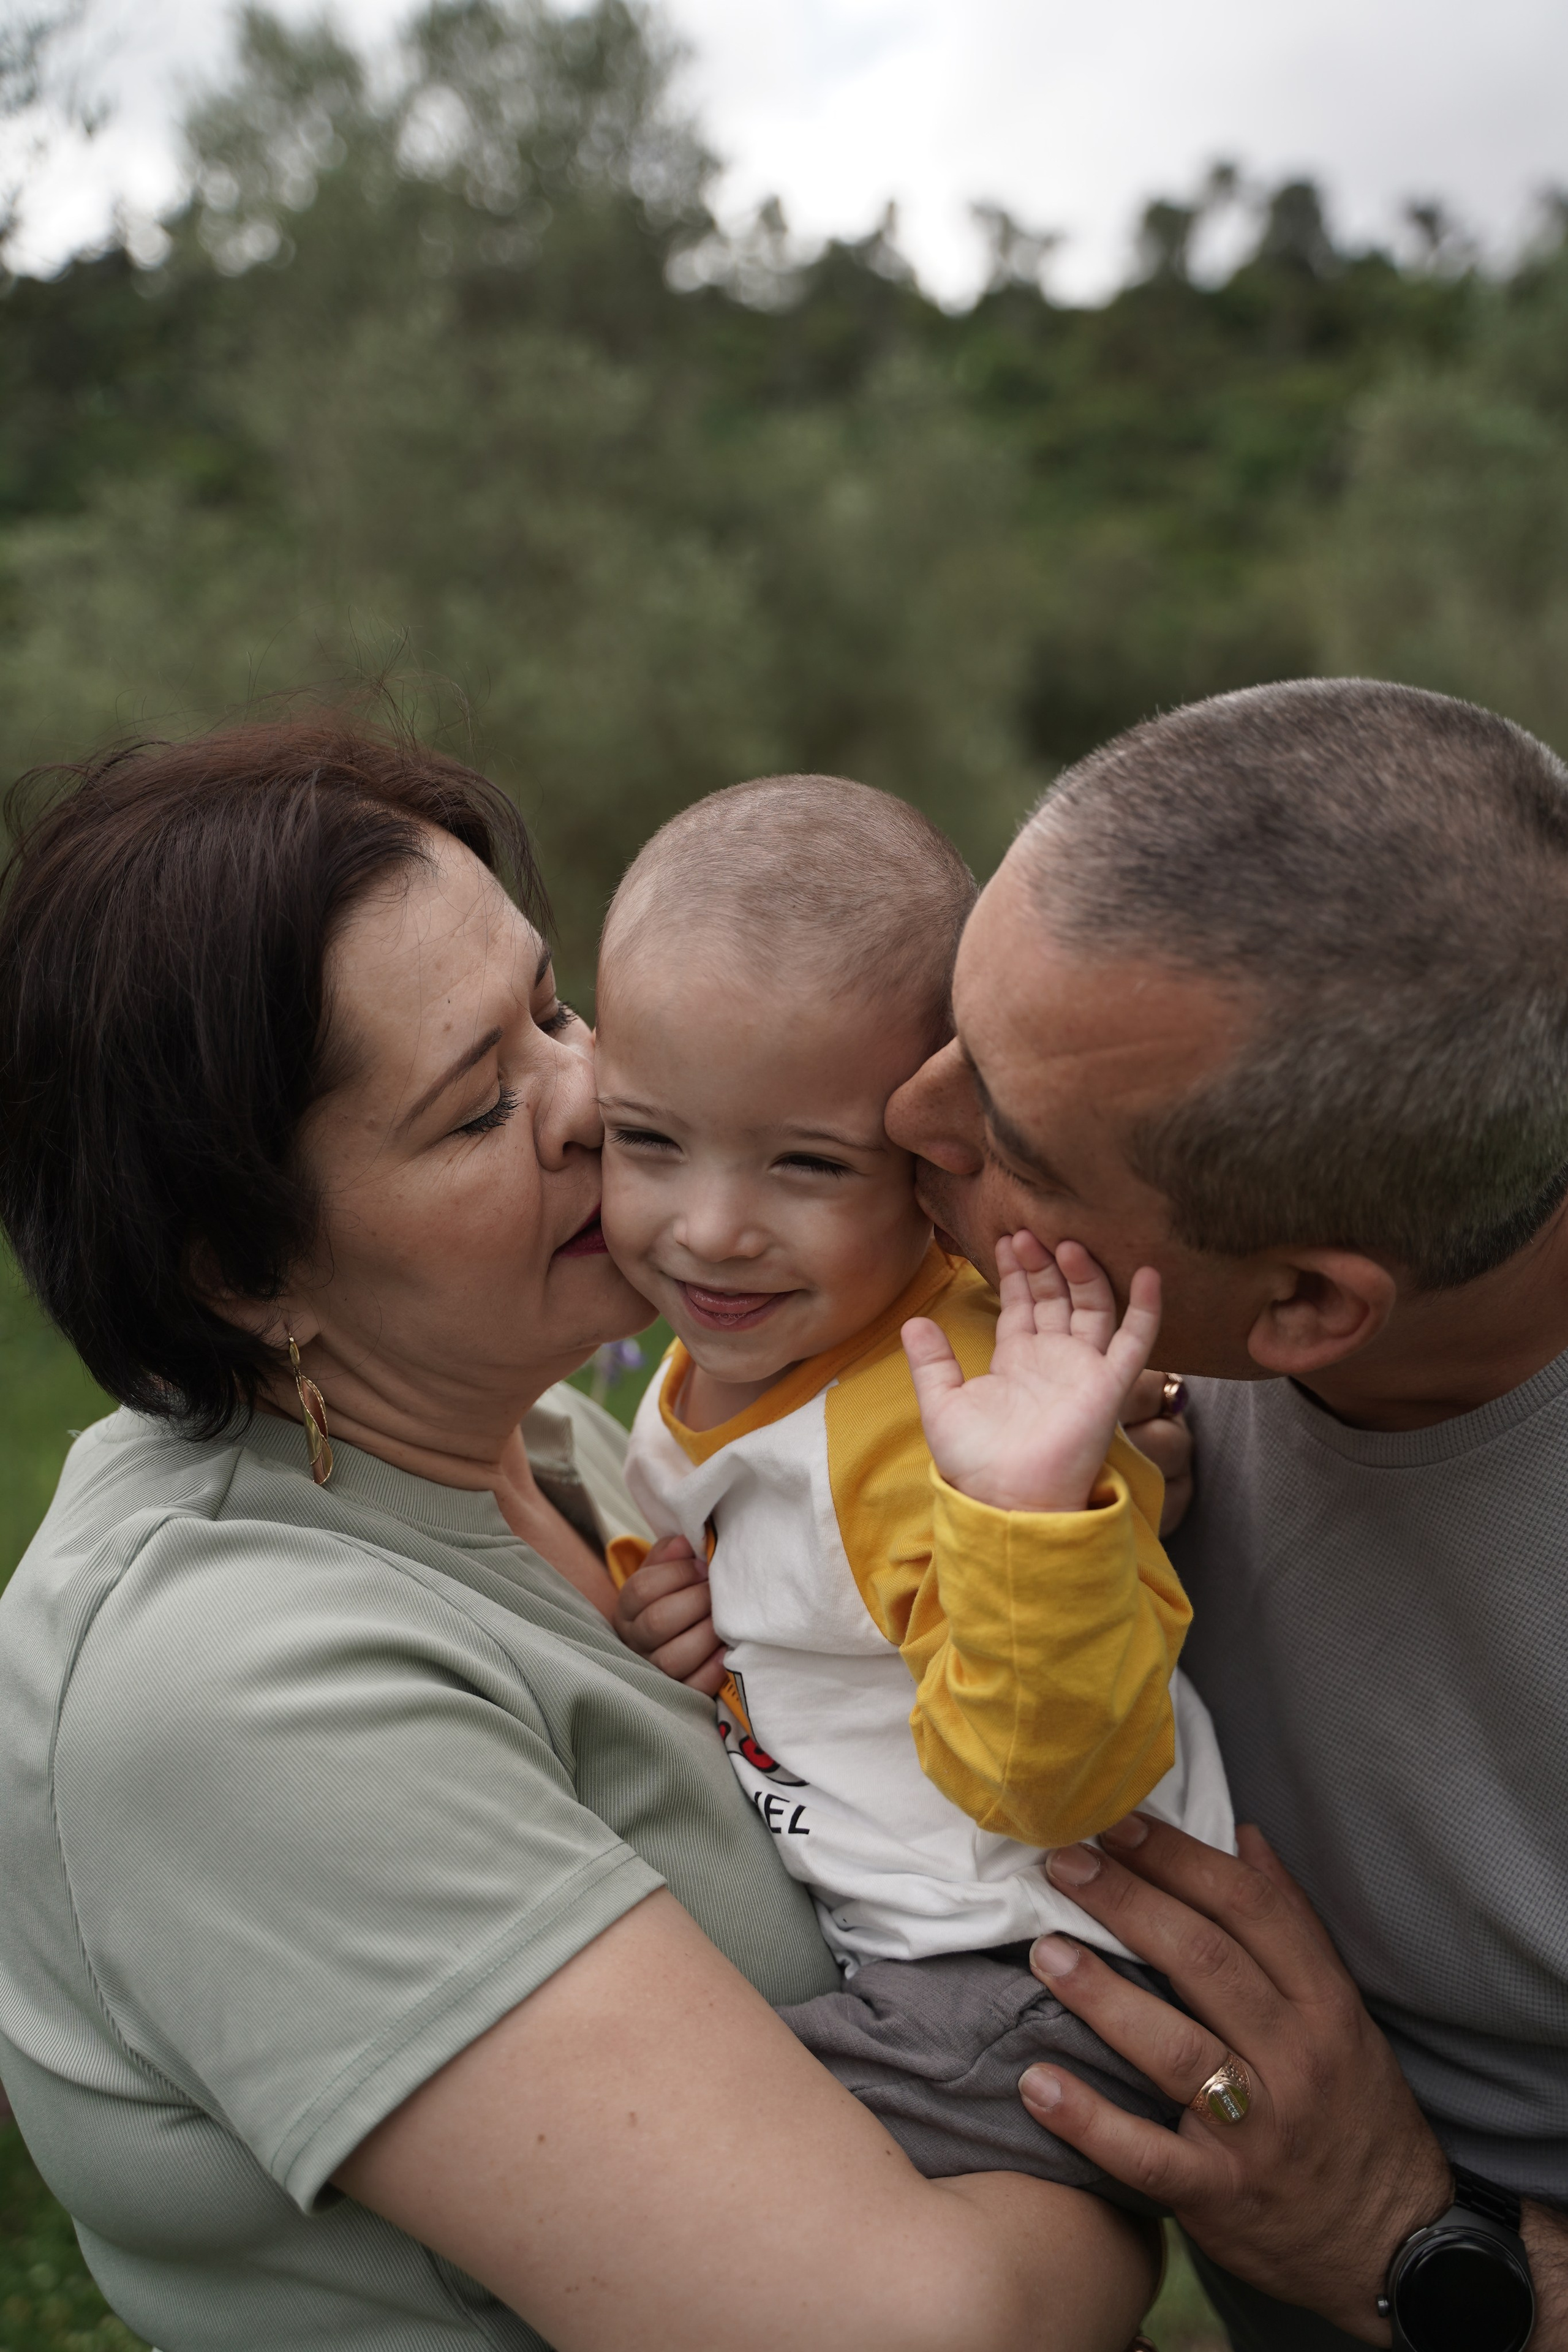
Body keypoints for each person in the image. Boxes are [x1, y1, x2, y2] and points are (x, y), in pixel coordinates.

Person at [0, 719, 1158, 2352]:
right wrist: (1185, 2143)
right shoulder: (225, 1684)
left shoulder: (557, 1443)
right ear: (242, 1275)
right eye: (482, 1108)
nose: (599, 1100)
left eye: (552, 1009)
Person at [884, 678, 1568, 2351]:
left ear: (1304, 1310)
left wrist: (1407, 2252)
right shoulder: (1119, 1314)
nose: (907, 1118)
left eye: (1010, 1141)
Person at [595, 774, 1233, 2201]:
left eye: (806, 1165)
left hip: (1026, 1961)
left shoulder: (944, 1422)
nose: (708, 1231)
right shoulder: (752, 1356)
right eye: (647, 1141)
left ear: (929, 1168)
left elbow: (1054, 1776)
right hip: (910, 1935)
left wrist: (1025, 1519)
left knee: (700, 2198)